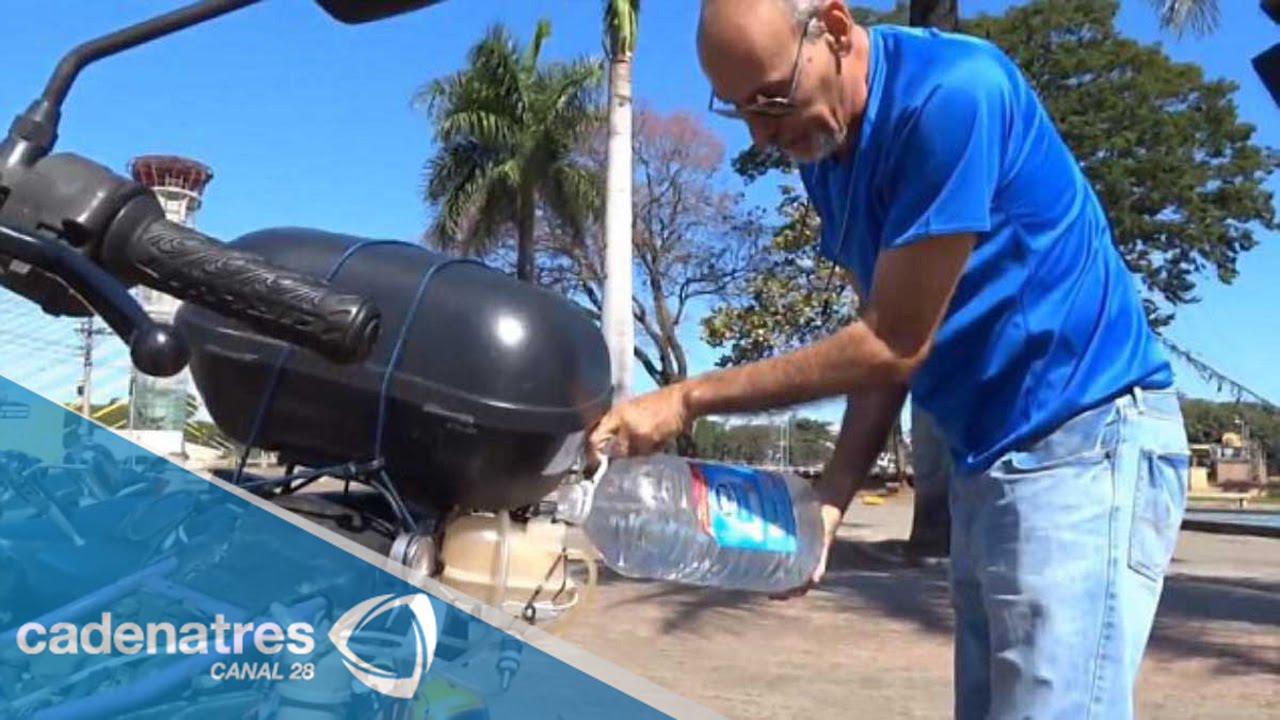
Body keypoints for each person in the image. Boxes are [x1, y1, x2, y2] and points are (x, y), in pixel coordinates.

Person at [586, 1, 1191, 718]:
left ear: (835, 30)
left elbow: (892, 340)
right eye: (741, 112)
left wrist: (687, 398)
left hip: (1083, 438)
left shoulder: (953, 94)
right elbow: (882, 351)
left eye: (773, 101)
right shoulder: (826, 152)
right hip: (987, 455)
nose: (763, 134)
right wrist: (832, 502)